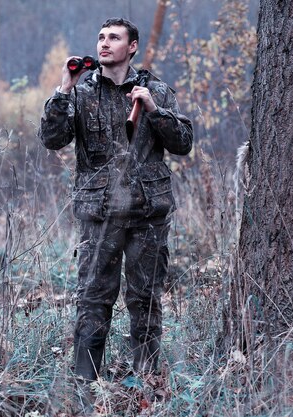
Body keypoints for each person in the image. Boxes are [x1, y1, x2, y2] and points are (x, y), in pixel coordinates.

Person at [38, 18, 193, 382]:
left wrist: (153, 109)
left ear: (132, 46)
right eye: (101, 37)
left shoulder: (156, 89)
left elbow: (183, 144)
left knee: (145, 301)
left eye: (114, 38)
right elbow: (51, 139)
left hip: (146, 214)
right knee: (93, 300)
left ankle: (147, 381)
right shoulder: (80, 92)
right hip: (100, 215)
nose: (104, 44)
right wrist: (64, 87)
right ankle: (83, 384)